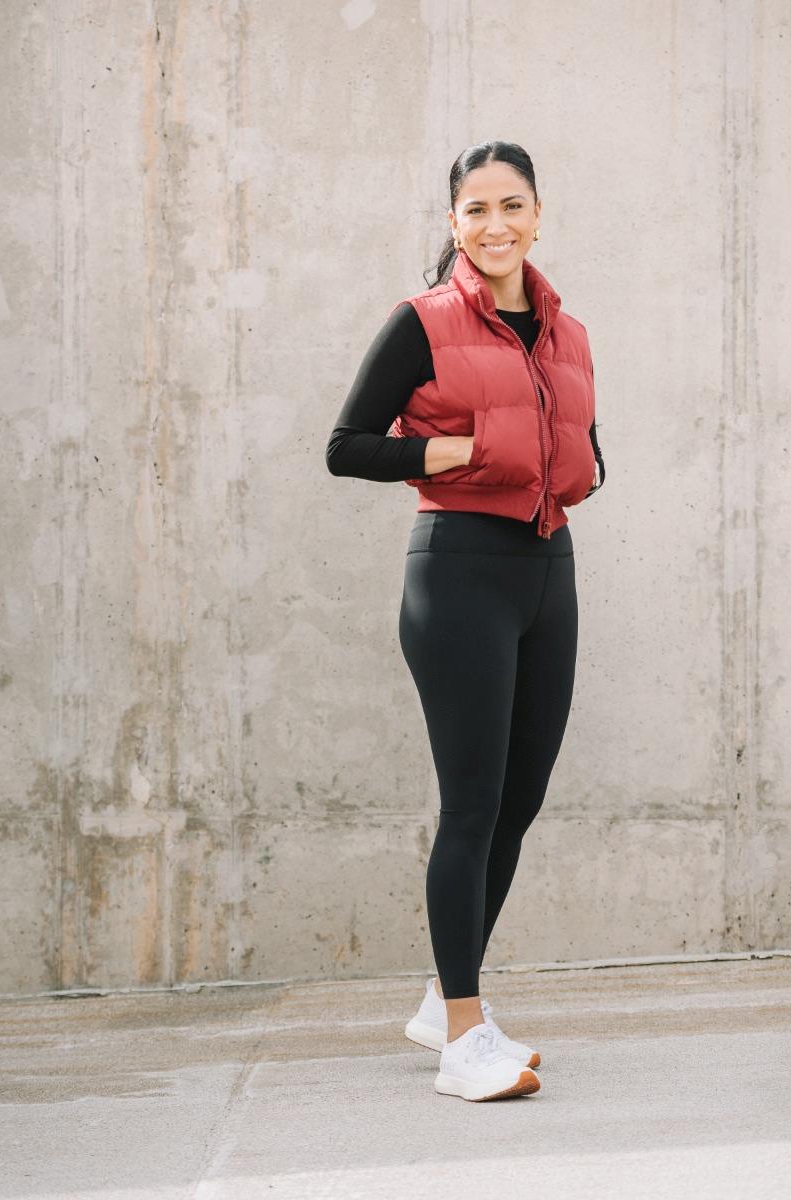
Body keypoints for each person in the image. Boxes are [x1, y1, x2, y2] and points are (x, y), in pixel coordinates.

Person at [326, 140, 605, 1102]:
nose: (495, 225)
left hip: (547, 568)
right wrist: (452, 451)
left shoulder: (568, 333)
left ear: (537, 215)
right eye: (475, 209)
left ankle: (441, 995)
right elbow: (347, 446)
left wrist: (582, 463)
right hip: (457, 572)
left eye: (511, 205)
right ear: (453, 223)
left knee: (519, 802)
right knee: (472, 805)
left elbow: (579, 442)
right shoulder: (424, 321)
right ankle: (461, 1040)